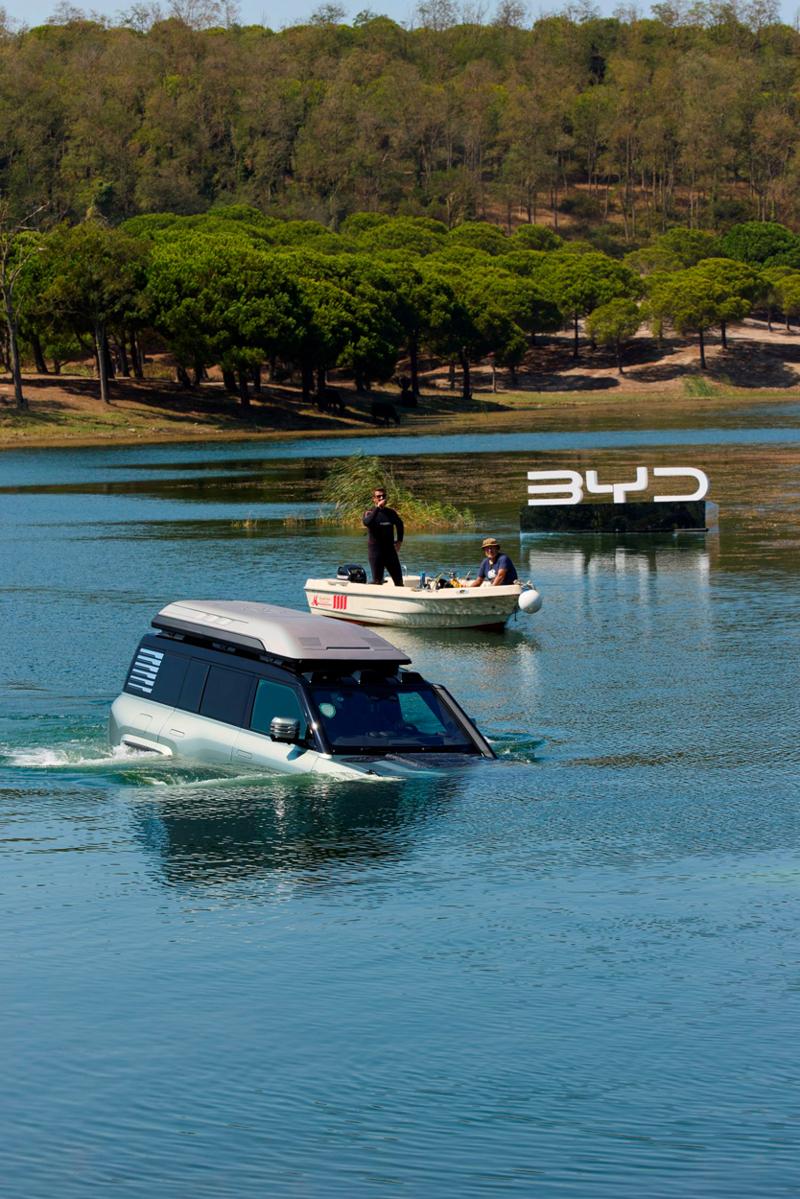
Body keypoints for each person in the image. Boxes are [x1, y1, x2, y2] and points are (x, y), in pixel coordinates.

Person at [362, 486, 404, 586]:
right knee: (377, 582)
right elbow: (367, 522)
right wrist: (377, 508)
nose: (381, 498)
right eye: (378, 496)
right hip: (376, 553)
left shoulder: (391, 513)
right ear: (374, 499)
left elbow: (400, 525)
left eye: (383, 496)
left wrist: (399, 541)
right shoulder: (369, 512)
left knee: (399, 582)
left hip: (390, 552)